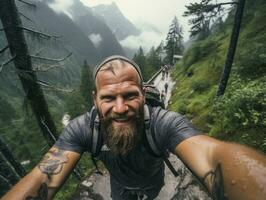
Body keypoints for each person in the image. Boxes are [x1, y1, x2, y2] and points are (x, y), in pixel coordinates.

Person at [2, 55, 266, 200]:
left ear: (142, 93)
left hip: (152, 184)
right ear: (95, 99)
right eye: (108, 98)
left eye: (129, 95)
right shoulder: (82, 129)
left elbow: (211, 155)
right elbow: (42, 177)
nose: (119, 107)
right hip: (119, 189)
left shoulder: (164, 123)